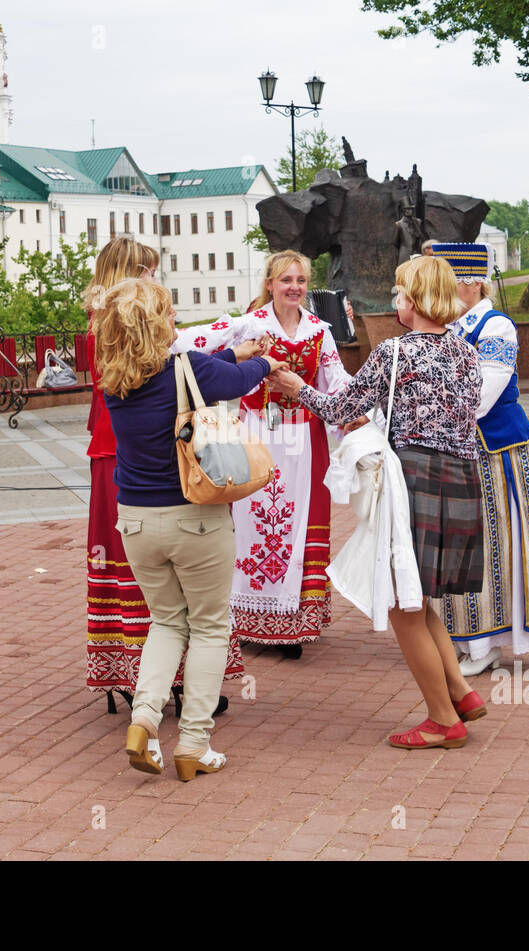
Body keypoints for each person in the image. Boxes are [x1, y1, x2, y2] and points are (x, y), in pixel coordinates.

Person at [271, 256, 487, 750]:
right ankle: (460, 691)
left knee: (398, 600)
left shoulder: (394, 353)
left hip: (411, 478)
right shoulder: (465, 351)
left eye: (399, 293)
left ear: (414, 300)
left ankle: (441, 720)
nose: (395, 301)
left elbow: (342, 408)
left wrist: (295, 386)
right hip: (462, 475)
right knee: (419, 594)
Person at [97, 278, 283, 780]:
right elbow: (238, 380)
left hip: (135, 519)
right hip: (194, 516)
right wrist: (266, 361)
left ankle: (143, 721)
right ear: (157, 323)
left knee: (166, 622)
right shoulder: (185, 365)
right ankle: (194, 744)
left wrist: (235, 352)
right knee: (208, 626)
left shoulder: (111, 378)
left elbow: (213, 370)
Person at [84, 237, 254, 713]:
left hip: (119, 458)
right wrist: (240, 346)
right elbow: (184, 361)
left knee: (152, 587)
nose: (157, 281)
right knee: (189, 600)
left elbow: (187, 363)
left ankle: (146, 688)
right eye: (150, 273)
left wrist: (231, 355)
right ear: (129, 274)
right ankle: (185, 702)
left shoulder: (109, 322)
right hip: (137, 460)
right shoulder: (124, 320)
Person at [173, 251, 352, 658]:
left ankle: (293, 622)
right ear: (269, 283)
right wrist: (162, 338)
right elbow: (198, 342)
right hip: (259, 436)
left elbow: (337, 380)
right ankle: (249, 617)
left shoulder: (319, 330)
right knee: (252, 522)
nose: (294, 287)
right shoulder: (251, 326)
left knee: (300, 524)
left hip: (306, 441)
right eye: (285, 279)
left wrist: (360, 411)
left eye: (301, 280)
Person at [426, 243, 529, 676]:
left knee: (495, 545)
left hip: (497, 454)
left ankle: (488, 642)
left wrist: (425, 412)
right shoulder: (448, 328)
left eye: (448, 281)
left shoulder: (496, 328)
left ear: (473, 283)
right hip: (459, 451)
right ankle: (463, 637)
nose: (439, 290)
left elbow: (482, 395)